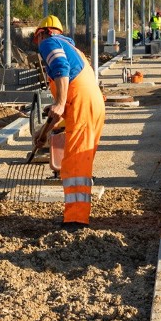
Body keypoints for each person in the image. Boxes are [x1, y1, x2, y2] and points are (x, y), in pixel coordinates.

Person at [33, 15, 105, 229]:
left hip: (83, 107)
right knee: (77, 163)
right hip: (89, 106)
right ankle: (75, 216)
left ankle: (76, 220)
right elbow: (65, 100)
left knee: (75, 166)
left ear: (43, 32)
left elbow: (61, 68)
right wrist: (45, 131)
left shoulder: (49, 43)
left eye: (37, 39)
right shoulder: (73, 49)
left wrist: (60, 101)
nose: (38, 45)